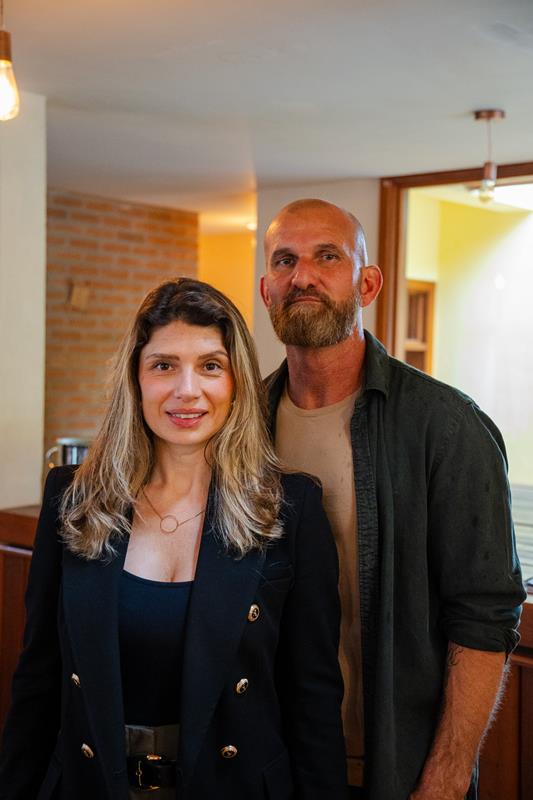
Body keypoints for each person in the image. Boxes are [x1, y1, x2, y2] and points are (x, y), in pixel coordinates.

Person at [0, 278, 348, 800]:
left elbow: (313, 699)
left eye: (210, 365)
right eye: (164, 365)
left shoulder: (291, 509)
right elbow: (37, 682)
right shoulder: (71, 500)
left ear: (237, 381)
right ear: (136, 378)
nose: (187, 390)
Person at [259, 198, 526, 800]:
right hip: (272, 764)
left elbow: (485, 616)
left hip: (396, 771)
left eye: (328, 257)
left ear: (368, 284)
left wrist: (446, 780)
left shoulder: (446, 426)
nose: (302, 276)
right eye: (285, 260)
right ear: (266, 289)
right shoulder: (241, 426)